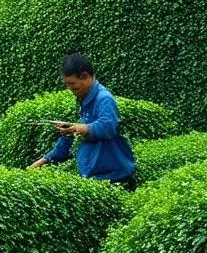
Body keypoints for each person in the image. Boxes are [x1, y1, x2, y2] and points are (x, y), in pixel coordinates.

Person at [28, 54, 137, 189]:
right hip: (93, 175)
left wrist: (83, 128)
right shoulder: (84, 99)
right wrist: (43, 160)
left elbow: (108, 126)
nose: (70, 90)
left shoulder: (104, 98)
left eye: (73, 85)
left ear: (85, 76)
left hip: (113, 175)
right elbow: (71, 139)